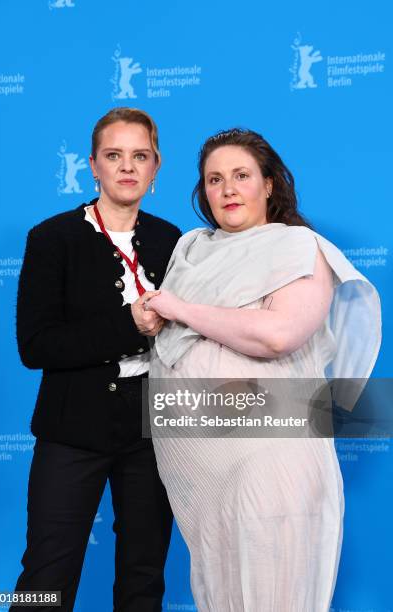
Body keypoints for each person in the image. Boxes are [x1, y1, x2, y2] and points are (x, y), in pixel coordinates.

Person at [145, 128, 381, 611]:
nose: (227, 189)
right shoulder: (190, 250)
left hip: (270, 460)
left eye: (241, 175)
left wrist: (180, 309)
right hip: (200, 476)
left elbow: (277, 335)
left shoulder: (299, 247)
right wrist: (151, 316)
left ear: (269, 184)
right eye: (214, 179)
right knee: (221, 594)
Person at [11, 107, 181, 612]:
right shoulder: (51, 238)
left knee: (144, 575)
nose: (127, 167)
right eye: (114, 155)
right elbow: (36, 346)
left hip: (153, 433)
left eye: (140, 156)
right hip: (71, 429)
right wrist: (128, 325)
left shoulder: (174, 241)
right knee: (47, 574)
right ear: (93, 165)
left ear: (155, 167)